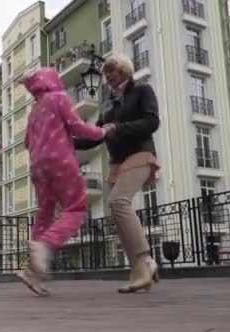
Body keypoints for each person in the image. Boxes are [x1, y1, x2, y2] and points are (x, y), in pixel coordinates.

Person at [16, 67, 110, 296]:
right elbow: (77, 127)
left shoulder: (35, 110)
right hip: (60, 160)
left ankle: (33, 268)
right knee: (76, 208)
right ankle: (45, 246)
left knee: (45, 212)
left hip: (37, 166)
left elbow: (27, 142)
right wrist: (102, 132)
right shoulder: (59, 98)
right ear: (53, 81)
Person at [74, 53, 161, 293]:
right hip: (117, 161)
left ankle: (144, 262)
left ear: (124, 71)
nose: (107, 75)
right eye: (105, 72)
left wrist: (119, 128)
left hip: (140, 153)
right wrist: (68, 142)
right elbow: (96, 135)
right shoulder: (107, 102)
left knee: (118, 201)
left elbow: (152, 122)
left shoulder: (142, 91)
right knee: (116, 210)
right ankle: (140, 270)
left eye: (111, 70)